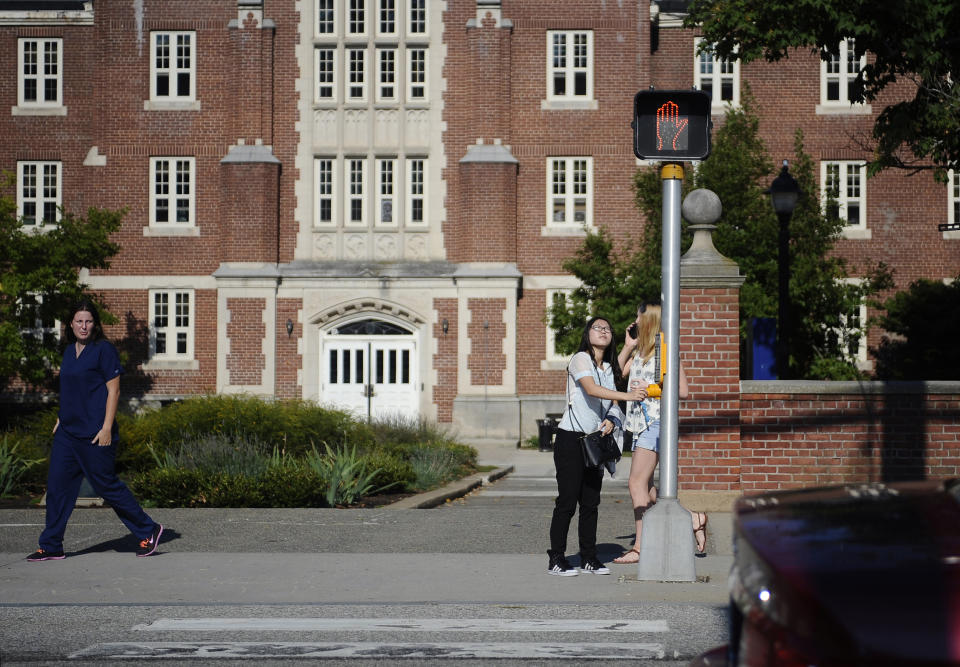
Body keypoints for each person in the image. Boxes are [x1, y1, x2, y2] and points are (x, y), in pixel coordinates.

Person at [27, 300, 163, 561]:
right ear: (71, 324)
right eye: (79, 321)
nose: (84, 326)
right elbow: (71, 389)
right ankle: (52, 544)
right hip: (68, 432)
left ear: (95, 324)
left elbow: (114, 391)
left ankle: (150, 530)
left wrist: (107, 428)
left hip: (95, 432)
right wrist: (60, 416)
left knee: (107, 486)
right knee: (57, 487)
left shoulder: (104, 350)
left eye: (88, 321)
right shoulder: (69, 352)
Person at [547, 316, 645, 576]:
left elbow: (611, 393)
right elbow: (591, 390)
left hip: (594, 440)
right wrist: (627, 396)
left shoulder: (606, 368)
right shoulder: (581, 359)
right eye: (597, 328)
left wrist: (613, 419)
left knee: (591, 502)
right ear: (587, 333)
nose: (603, 331)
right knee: (567, 502)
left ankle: (589, 557)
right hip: (571, 439)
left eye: (607, 329)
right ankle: (556, 559)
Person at [612, 302, 707, 565]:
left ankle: (640, 548)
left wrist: (651, 389)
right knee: (649, 488)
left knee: (635, 484)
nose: (635, 321)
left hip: (656, 423)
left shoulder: (665, 351)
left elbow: (683, 391)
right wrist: (628, 346)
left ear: (650, 320)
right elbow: (615, 378)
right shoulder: (640, 352)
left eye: (638, 317)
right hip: (639, 424)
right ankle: (694, 519)